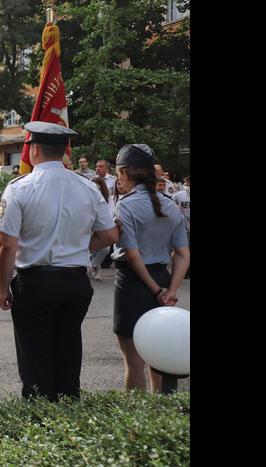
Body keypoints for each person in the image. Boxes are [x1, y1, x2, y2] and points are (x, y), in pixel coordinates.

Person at [0, 122, 118, 401]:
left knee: (35, 357)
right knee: (68, 351)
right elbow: (110, 234)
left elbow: (6, 246)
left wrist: (3, 289)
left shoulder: (19, 188)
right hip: (75, 282)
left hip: (36, 282)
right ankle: (68, 411)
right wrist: (75, 243)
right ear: (64, 153)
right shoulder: (86, 186)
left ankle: (41, 422)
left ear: (34, 149)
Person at [112, 144, 190, 392]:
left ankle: (136, 423)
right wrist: (170, 289)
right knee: (159, 357)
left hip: (133, 283)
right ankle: (160, 416)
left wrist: (156, 289)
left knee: (133, 361)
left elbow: (133, 256)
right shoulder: (170, 205)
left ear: (125, 172)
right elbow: (183, 254)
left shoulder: (126, 204)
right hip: (162, 278)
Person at [88, 176, 113, 281]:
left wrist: (103, 220)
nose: (95, 186)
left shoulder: (108, 198)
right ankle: (98, 271)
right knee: (94, 249)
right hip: (92, 225)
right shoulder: (88, 197)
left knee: (105, 249)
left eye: (97, 184)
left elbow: (112, 211)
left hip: (104, 225)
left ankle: (92, 267)